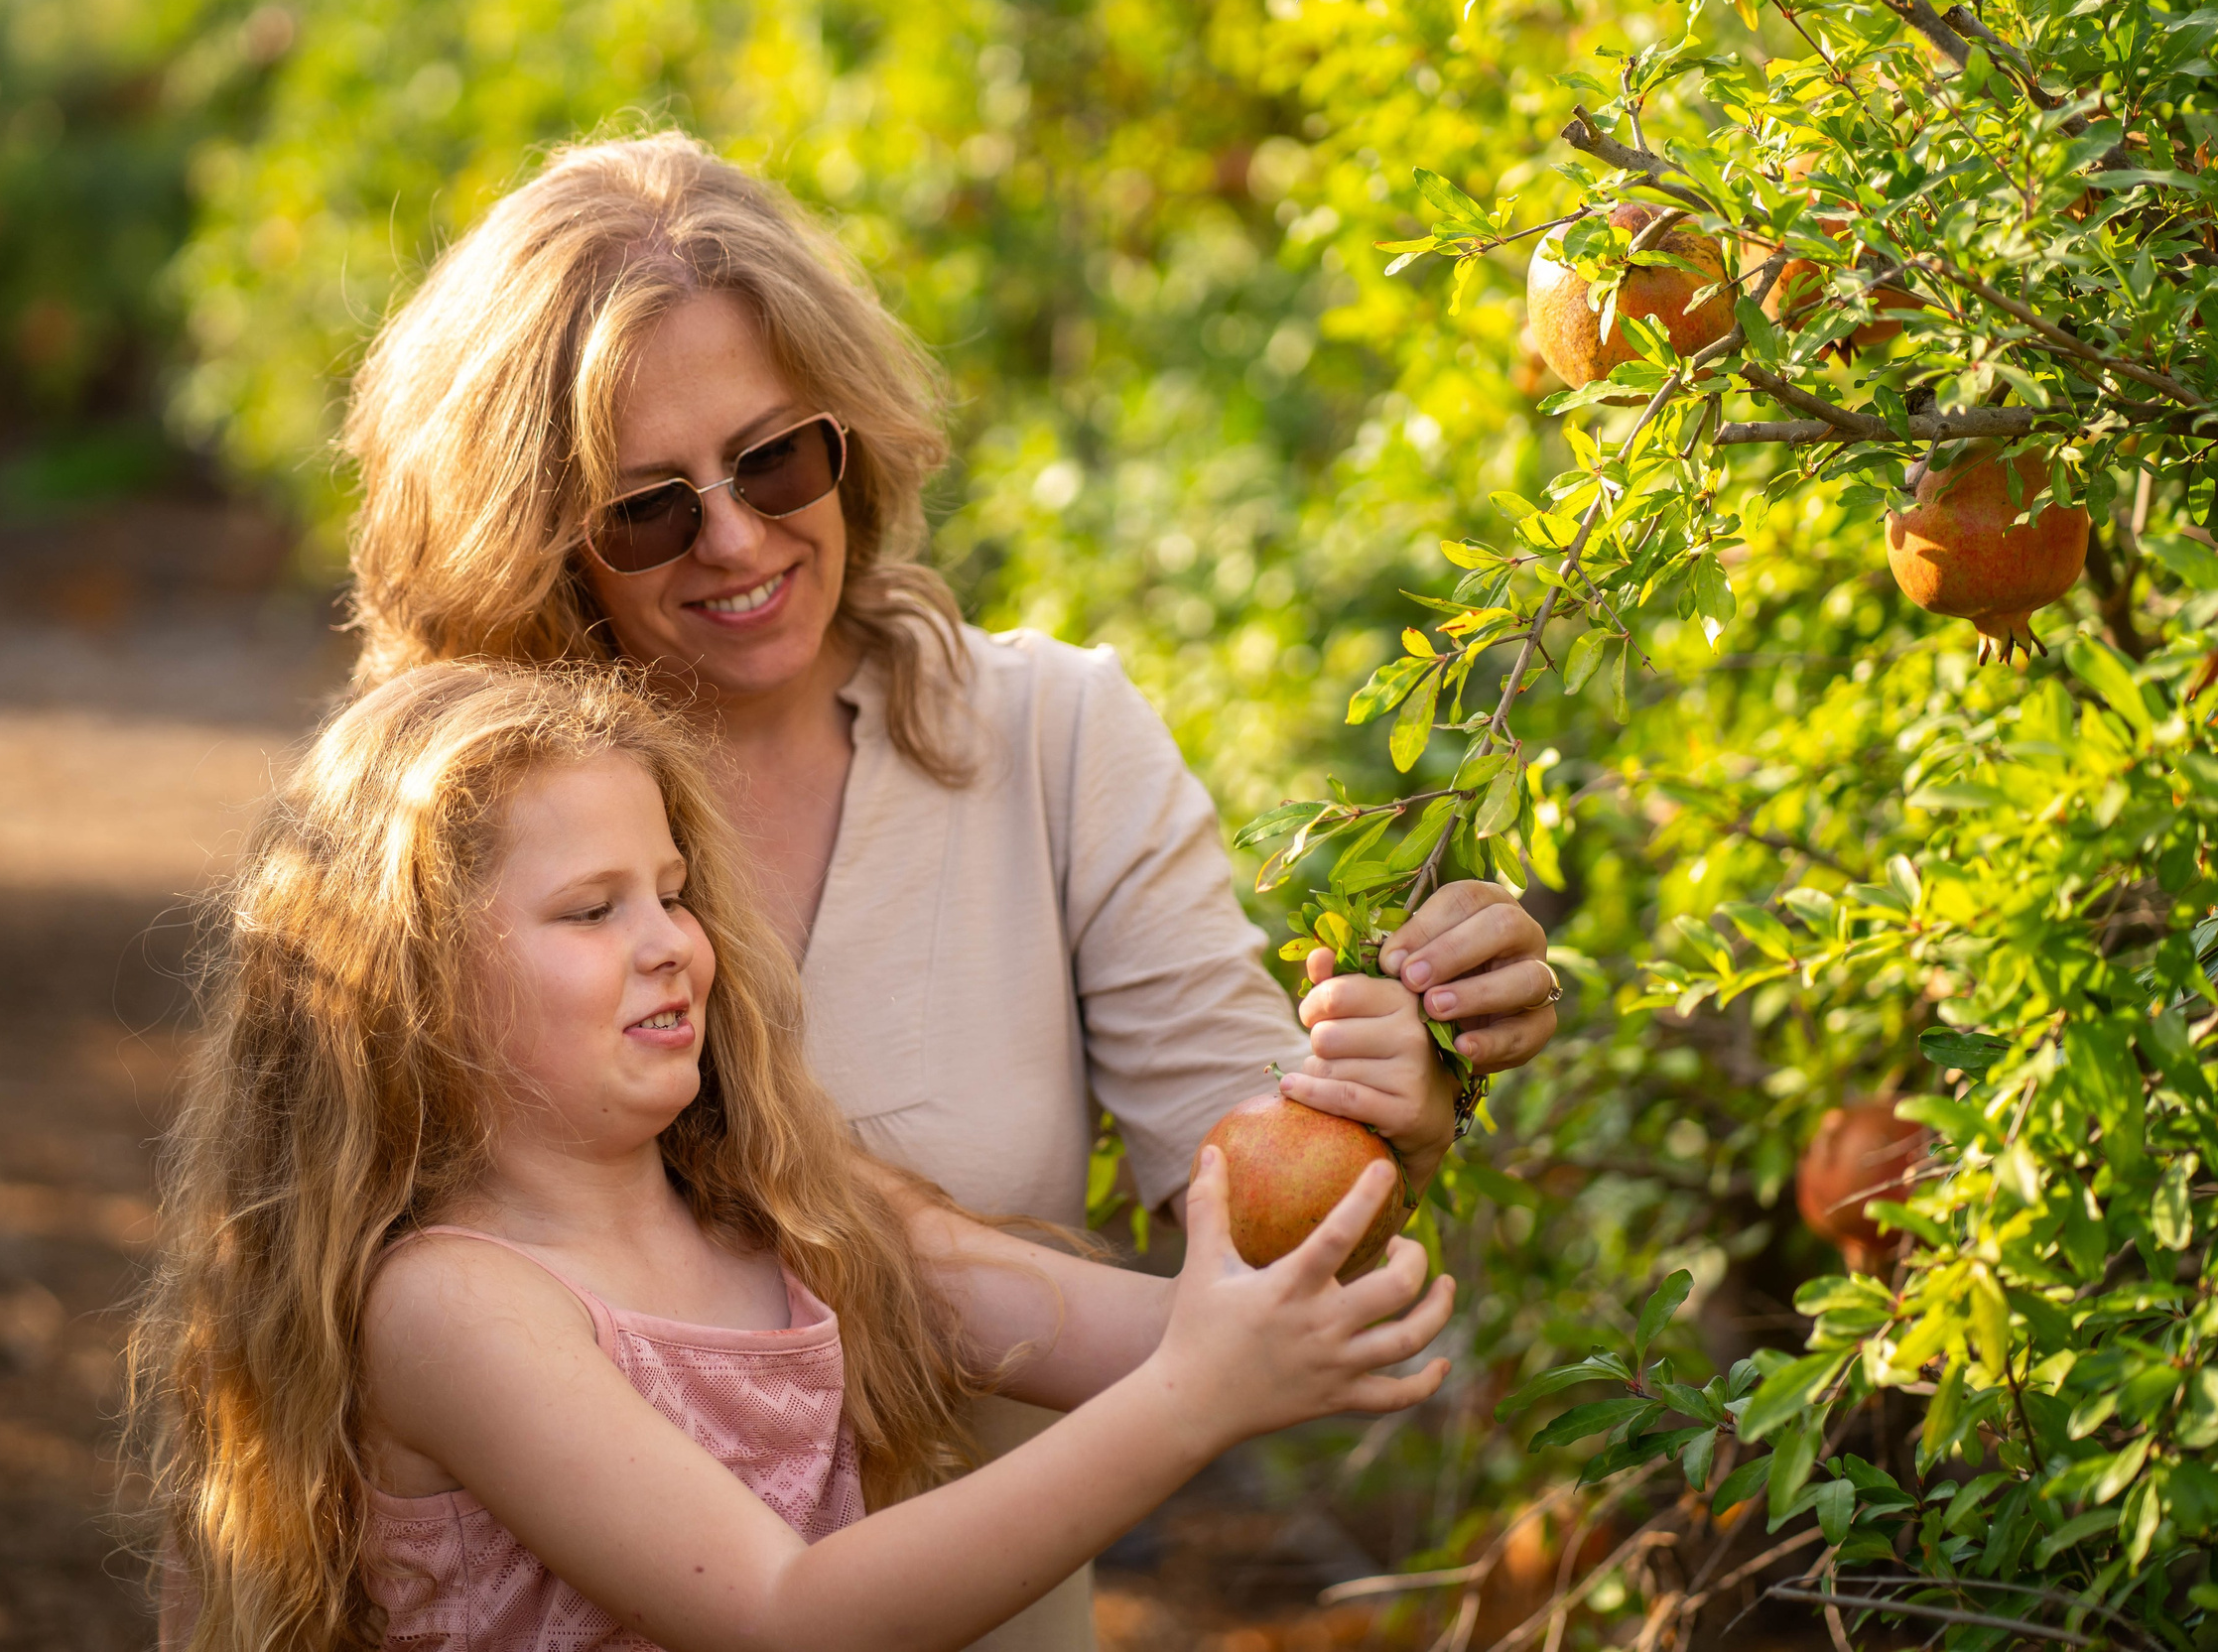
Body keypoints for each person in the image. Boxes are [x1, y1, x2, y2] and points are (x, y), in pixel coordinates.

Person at [338, 130, 1559, 1648]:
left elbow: (1254, 1251)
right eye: (647, 506)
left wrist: (1401, 1086)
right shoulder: (457, 833)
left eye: (777, 457)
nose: (735, 535)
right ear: (534, 533)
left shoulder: (1046, 739)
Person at [132, 662, 1456, 1652]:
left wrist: (1382, 1095)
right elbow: (786, 1616)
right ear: (402, 983)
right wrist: (1196, 1400)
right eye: (591, 909)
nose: (668, 941)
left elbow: (1223, 1329)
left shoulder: (792, 1216)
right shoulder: (456, 1307)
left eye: (673, 890)